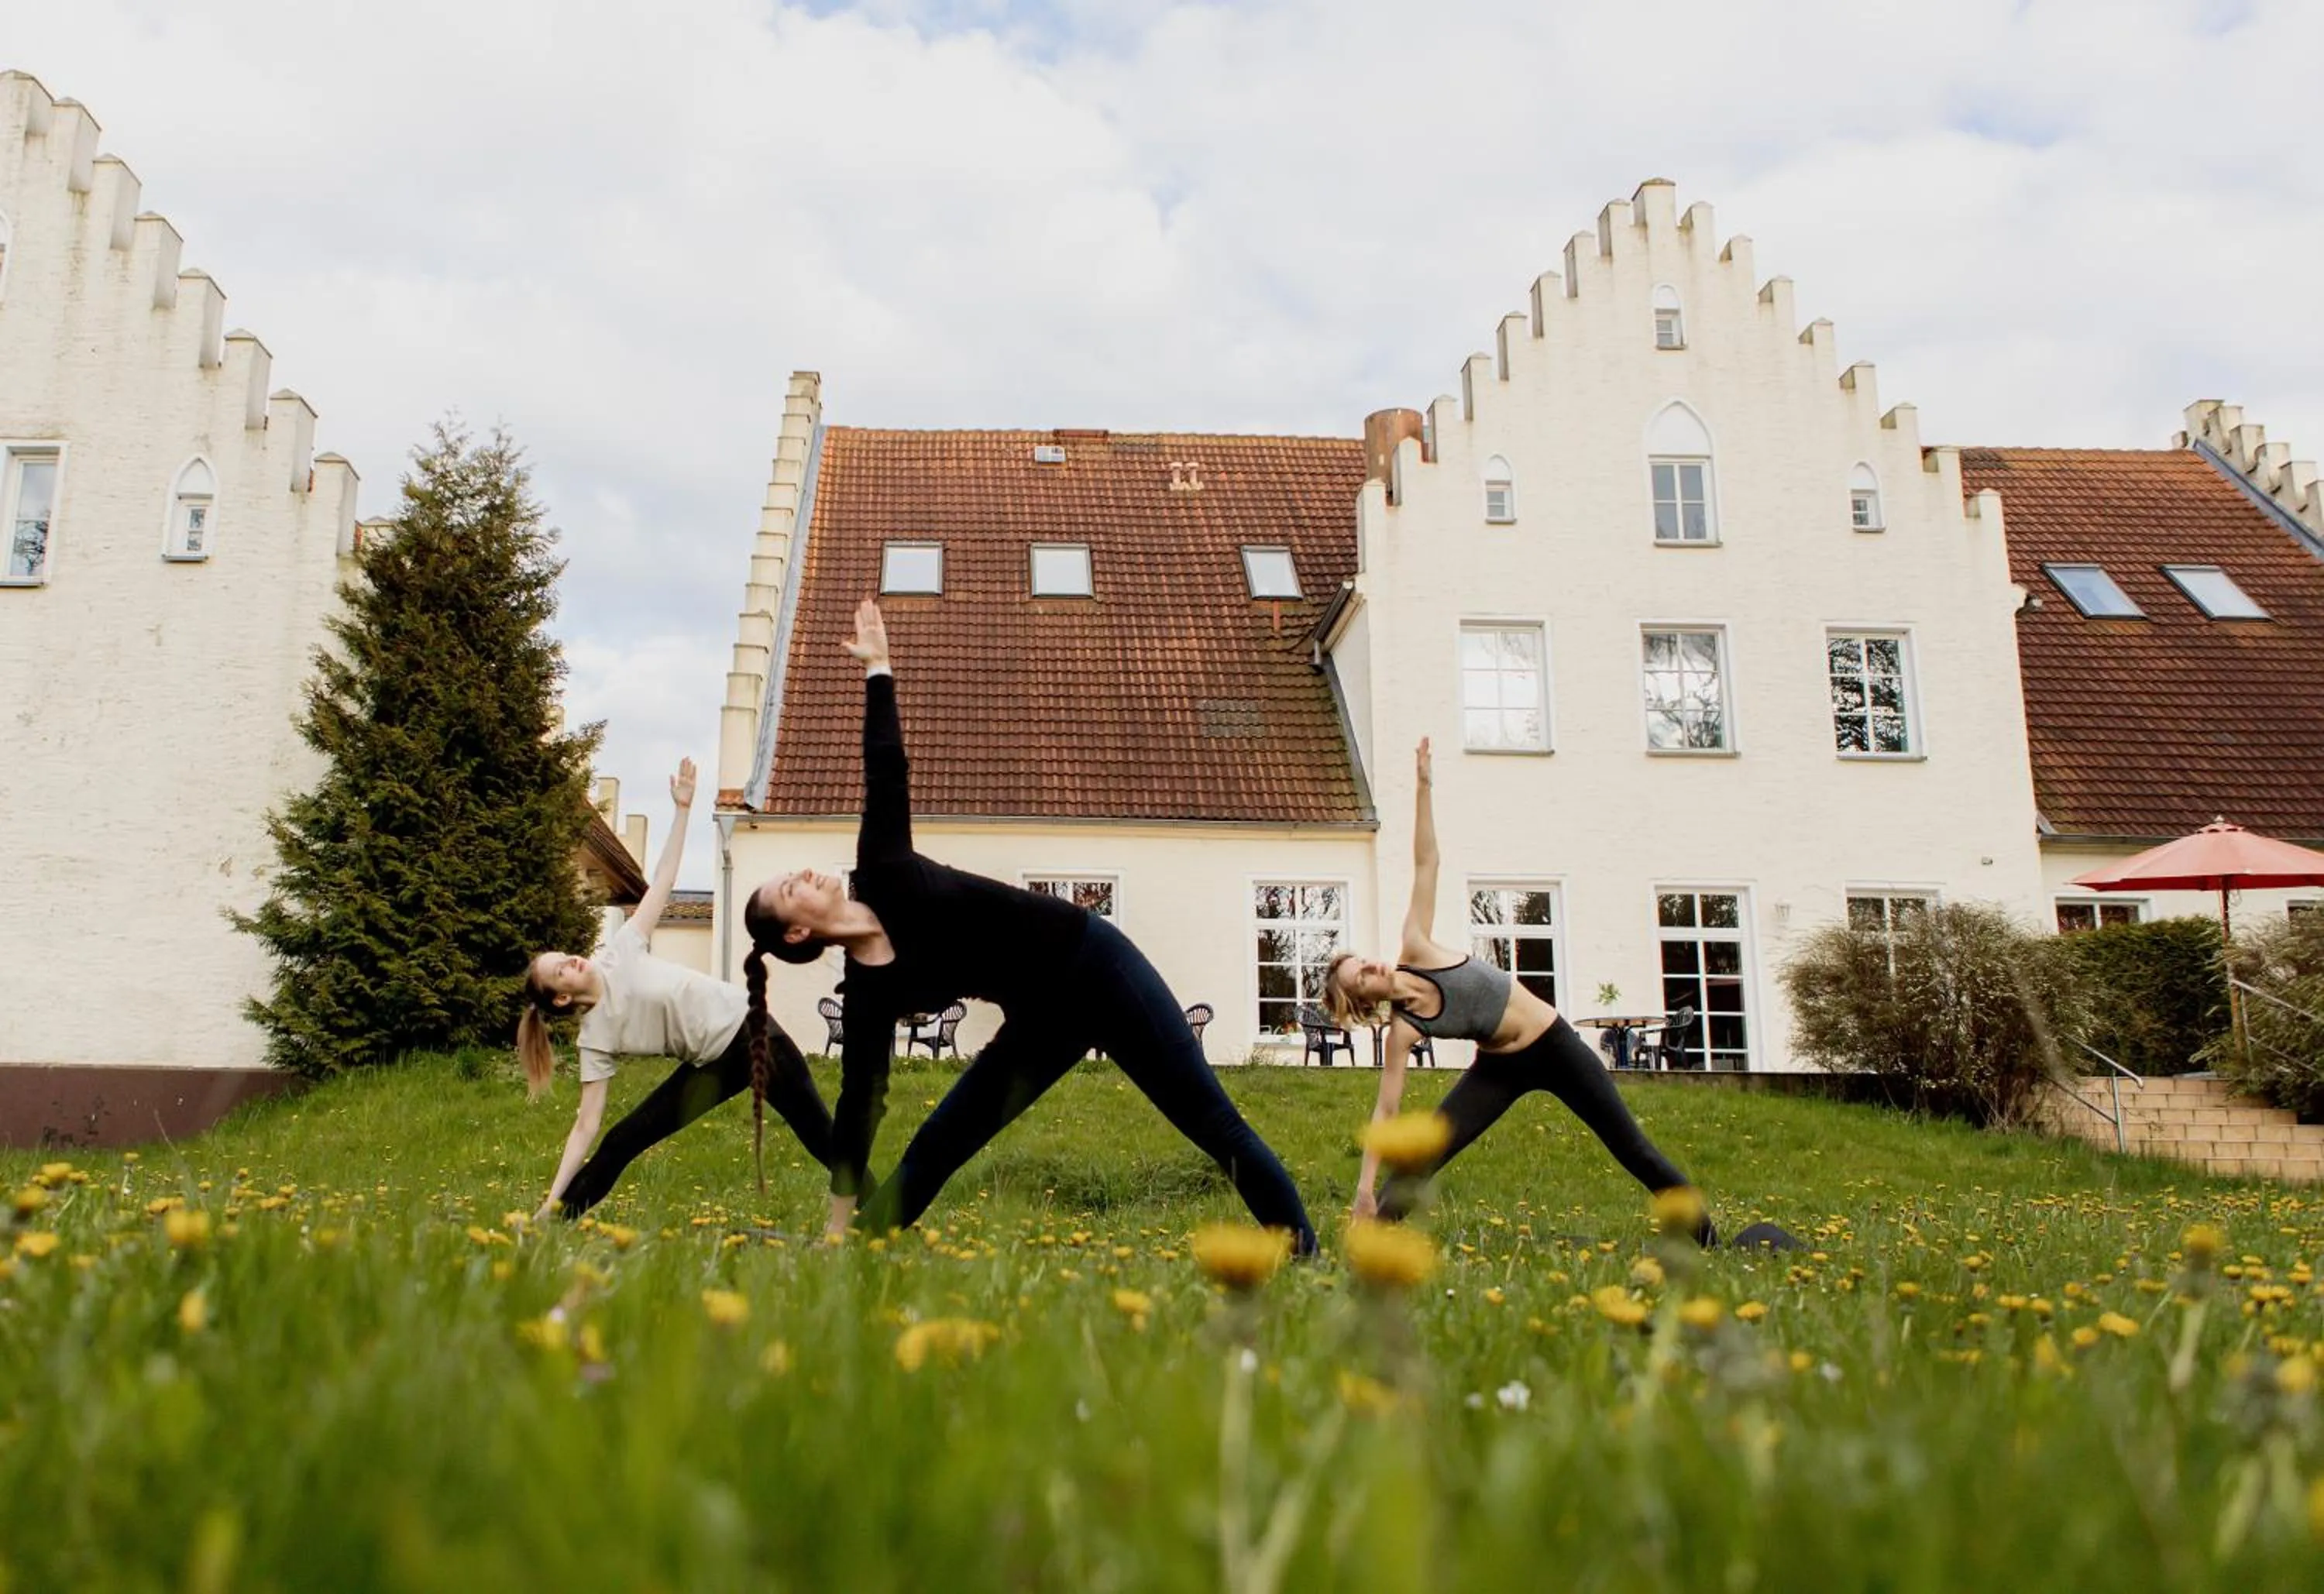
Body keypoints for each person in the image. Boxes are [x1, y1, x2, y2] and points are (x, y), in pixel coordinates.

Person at [744, 599, 1316, 1253]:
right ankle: (855, 1251)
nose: (806, 875)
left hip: (1097, 966)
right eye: (791, 888)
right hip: (1042, 1019)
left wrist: (879, 670)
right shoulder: (869, 995)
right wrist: (834, 1225)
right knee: (941, 1140)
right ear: (795, 933)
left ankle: (1305, 1255)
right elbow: (858, 1107)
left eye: (796, 873)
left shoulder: (883, 868)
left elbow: (885, 773)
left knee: (1212, 1123)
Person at [1330, 737, 1716, 1240]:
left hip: (1554, 1046)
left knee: (1631, 1148)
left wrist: (1423, 789)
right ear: (1364, 1000)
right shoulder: (1403, 1031)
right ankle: (1372, 1245)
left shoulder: (1417, 947)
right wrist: (1363, 1188)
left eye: (1363, 961)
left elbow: (1428, 863)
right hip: (1500, 1068)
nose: (1372, 966)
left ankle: (1710, 1241)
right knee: (1421, 1159)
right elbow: (1387, 1111)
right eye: (1361, 976)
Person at [519, 756, 833, 1219]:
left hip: (752, 1032)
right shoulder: (595, 1039)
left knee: (824, 1140)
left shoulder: (619, 951)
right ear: (562, 998)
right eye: (559, 971)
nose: (569, 960)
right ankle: (554, 1220)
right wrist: (551, 1195)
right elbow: (585, 1126)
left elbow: (662, 880)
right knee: (620, 1140)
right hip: (711, 1063)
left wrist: (682, 809)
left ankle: (889, 1211)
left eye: (562, 957)